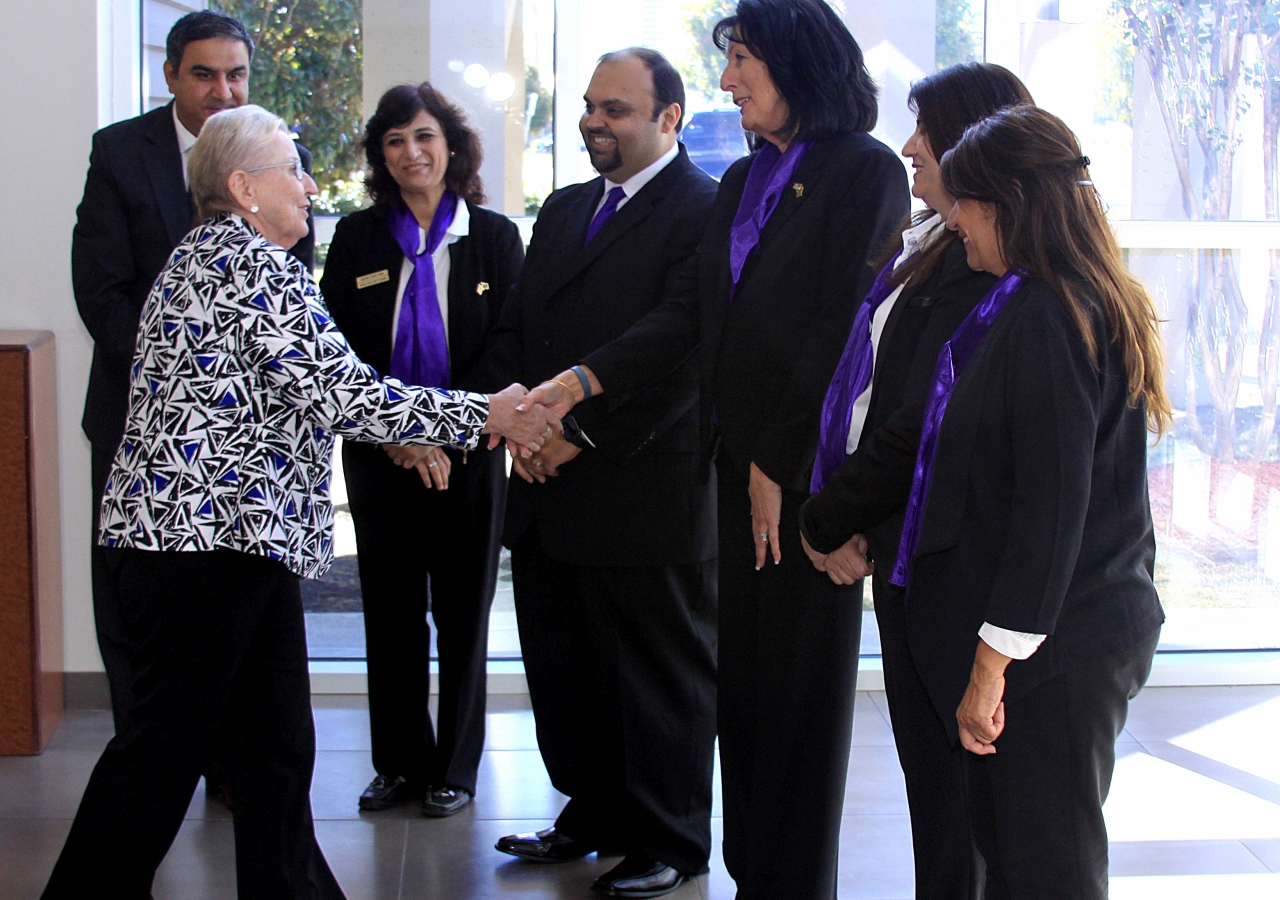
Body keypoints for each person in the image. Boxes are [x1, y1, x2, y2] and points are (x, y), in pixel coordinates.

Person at [41, 105, 555, 900]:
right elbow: (344, 393)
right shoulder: (253, 266)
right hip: (202, 554)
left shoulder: (200, 258)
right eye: (292, 168)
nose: (311, 184)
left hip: (235, 547)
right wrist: (487, 412)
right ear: (244, 186)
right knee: (160, 757)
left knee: (275, 750)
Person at [524, 3, 909, 896]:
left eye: (743, 62)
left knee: (798, 703)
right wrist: (583, 381)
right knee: (744, 697)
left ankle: (793, 880)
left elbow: (835, 331)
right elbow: (693, 319)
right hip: (734, 475)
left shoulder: (865, 171)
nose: (729, 81)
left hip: (804, 482)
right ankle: (752, 873)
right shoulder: (742, 181)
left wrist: (777, 462)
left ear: (799, 66)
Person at [891, 104, 1168, 899]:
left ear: (1007, 202)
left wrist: (988, 670)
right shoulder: (1044, 299)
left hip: (1057, 649)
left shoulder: (1051, 315)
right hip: (1059, 637)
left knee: (1046, 867)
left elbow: (1051, 513)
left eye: (965, 204)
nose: (955, 220)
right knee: (1013, 859)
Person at [482, 48, 719, 899]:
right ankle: (590, 815)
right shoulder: (565, 208)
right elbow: (518, 325)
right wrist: (515, 419)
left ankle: (670, 838)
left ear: (669, 118)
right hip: (546, 485)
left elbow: (686, 346)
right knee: (565, 668)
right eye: (590, 106)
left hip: (641, 481)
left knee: (656, 678)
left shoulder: (705, 208)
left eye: (616, 109)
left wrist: (574, 429)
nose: (594, 121)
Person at [797, 63, 1033, 900]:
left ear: (973, 140)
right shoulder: (931, 241)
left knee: (959, 810)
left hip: (944, 561)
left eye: (923, 128)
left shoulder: (988, 265)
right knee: (933, 798)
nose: (906, 147)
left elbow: (917, 424)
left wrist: (829, 516)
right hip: (899, 545)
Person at [72, 8, 315, 743]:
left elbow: (291, 289)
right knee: (145, 630)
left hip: (253, 446)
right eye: (205, 74)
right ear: (171, 75)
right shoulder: (120, 153)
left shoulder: (274, 150)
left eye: (236, 73)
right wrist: (180, 378)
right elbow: (101, 291)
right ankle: (151, 751)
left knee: (251, 627)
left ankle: (238, 775)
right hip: (143, 424)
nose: (223, 89)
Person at [320, 83, 524, 818]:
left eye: (425, 137)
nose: (412, 152)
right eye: (396, 140)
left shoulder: (495, 238)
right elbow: (338, 350)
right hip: (382, 459)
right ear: (382, 155)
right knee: (392, 612)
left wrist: (440, 431)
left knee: (466, 613)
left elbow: (509, 346)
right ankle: (399, 763)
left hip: (468, 457)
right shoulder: (357, 238)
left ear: (453, 148)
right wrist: (400, 434)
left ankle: (455, 768)